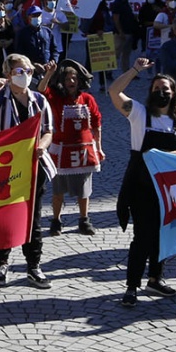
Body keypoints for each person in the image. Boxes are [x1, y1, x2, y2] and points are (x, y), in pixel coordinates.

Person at [108, 59, 176, 307]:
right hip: (141, 185)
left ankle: (155, 278)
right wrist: (134, 70)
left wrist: (161, 155)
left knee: (162, 236)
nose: (161, 92)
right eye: (156, 89)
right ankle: (131, 286)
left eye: (165, 89)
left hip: (167, 189)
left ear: (173, 93)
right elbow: (114, 92)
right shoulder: (139, 113)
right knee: (142, 237)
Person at [0, 53, 54, 288]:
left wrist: (41, 146)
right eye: (19, 72)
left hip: (33, 165)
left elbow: (48, 131)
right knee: (3, 215)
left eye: (29, 71)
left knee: (33, 217)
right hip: (5, 168)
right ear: (8, 75)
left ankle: (34, 266)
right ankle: (2, 264)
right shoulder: (0, 99)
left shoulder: (39, 100)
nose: (25, 76)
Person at [42, 60, 102, 236]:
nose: (71, 82)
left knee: (84, 190)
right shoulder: (55, 98)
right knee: (58, 190)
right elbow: (41, 90)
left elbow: (97, 124)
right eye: (68, 78)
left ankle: (84, 220)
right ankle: (56, 220)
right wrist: (49, 73)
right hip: (61, 151)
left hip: (84, 151)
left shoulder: (88, 99)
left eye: (74, 78)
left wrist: (99, 148)